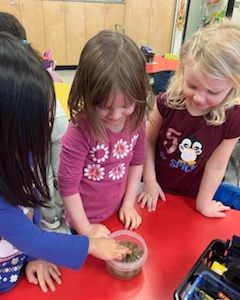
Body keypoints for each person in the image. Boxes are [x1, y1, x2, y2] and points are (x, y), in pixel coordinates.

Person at [0, 32, 130, 293]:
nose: (48, 132)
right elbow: (27, 235)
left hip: (17, 261)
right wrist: (90, 245)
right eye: (39, 125)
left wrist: (31, 256)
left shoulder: (19, 153)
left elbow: (29, 210)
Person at [138, 19, 240, 218]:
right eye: (192, 86)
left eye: (213, 91)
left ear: (233, 86)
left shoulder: (234, 118)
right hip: (155, 188)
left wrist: (203, 203)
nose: (199, 98)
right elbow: (146, 140)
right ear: (183, 72)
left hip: (194, 195)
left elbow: (217, 165)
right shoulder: (166, 103)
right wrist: (150, 181)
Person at [58, 30, 151, 237]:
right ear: (87, 94)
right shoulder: (79, 132)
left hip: (117, 212)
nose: (116, 116)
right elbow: (67, 185)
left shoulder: (136, 121)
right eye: (104, 107)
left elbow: (137, 163)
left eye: (126, 105)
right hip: (82, 220)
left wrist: (128, 204)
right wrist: (85, 228)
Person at [0, 12, 68, 229]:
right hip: (48, 127)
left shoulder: (19, 77)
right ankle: (55, 216)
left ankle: (53, 217)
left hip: (47, 128)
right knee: (49, 176)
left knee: (47, 176)